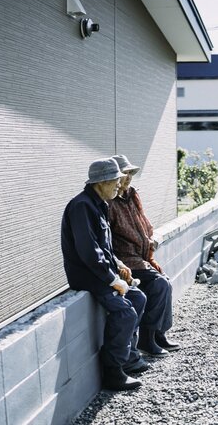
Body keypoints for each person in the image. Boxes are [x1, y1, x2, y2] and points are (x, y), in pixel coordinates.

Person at [61, 158, 149, 391]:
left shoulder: (99, 203)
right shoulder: (82, 206)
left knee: (138, 297)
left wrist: (119, 265)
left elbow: (104, 248)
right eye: (116, 182)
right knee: (125, 312)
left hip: (102, 272)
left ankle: (129, 356)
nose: (120, 186)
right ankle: (113, 372)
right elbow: (89, 252)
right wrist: (113, 280)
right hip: (89, 276)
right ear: (102, 182)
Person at [108, 154, 180, 357]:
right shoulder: (110, 202)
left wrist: (151, 238)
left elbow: (144, 223)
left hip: (141, 256)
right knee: (160, 284)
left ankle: (159, 334)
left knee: (164, 281)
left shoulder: (131, 195)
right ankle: (148, 339)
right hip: (126, 259)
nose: (128, 178)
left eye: (131, 173)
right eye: (125, 174)